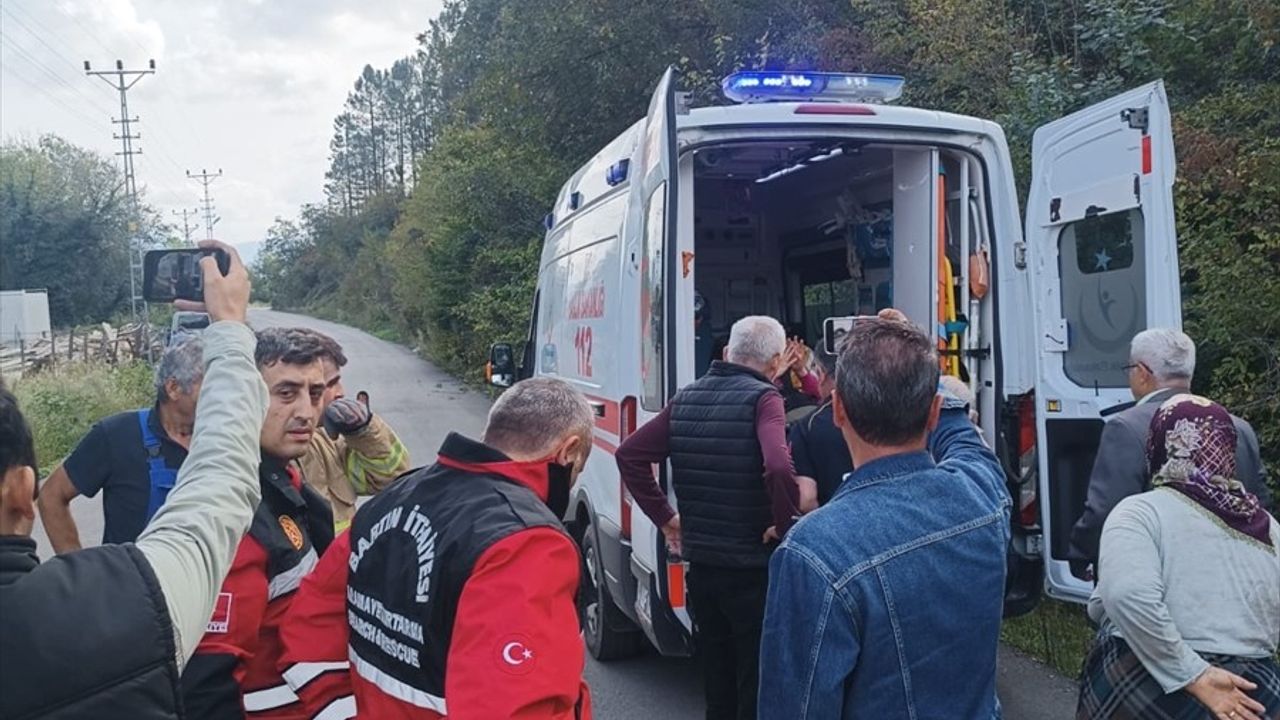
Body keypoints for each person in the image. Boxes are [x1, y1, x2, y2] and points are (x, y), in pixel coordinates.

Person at [1, 241, 270, 718]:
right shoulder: (117, 435)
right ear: (22, 490)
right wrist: (79, 577)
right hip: (147, 613)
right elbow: (223, 478)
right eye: (205, 382)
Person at [277, 377, 595, 718]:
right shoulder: (528, 543)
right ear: (568, 451)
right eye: (577, 468)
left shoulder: (391, 499)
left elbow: (308, 632)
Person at [758, 310, 1011, 719]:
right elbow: (964, 439)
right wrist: (915, 355)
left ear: (838, 410)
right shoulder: (983, 493)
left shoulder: (813, 551)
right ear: (933, 412)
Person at [616, 315, 801, 720]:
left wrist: (666, 518)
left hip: (702, 568)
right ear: (775, 362)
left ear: (728, 352)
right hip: (752, 570)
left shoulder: (686, 398)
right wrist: (786, 526)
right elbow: (778, 466)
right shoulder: (764, 399)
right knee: (754, 682)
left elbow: (629, 455)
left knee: (717, 682)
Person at [1077, 394, 1279, 720]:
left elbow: (1126, 595)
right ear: (1229, 448)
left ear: (1159, 446)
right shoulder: (1268, 528)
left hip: (1143, 675)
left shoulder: (1139, 513)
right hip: (1250, 687)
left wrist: (1195, 674)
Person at [180, 328, 336, 719]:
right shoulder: (236, 519)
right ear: (244, 398)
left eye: (315, 393)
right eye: (286, 393)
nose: (306, 411)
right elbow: (208, 686)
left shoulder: (287, 483)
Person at [1069, 328, 1272, 574]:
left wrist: (1081, 555)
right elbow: (1260, 504)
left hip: (1159, 573)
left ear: (1142, 373)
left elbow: (1106, 510)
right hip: (1233, 573)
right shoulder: (1239, 427)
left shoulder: (1125, 427)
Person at [37, 335, 205, 551]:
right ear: (173, 388)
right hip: (132, 573)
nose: (220, 397)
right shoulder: (117, 435)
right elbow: (51, 496)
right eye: (209, 387)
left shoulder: (220, 439)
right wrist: (79, 566)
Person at [292, 328, 409, 532]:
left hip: (342, 553)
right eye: (329, 385)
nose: (341, 393)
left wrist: (363, 432)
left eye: (338, 381)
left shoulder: (327, 438)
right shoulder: (261, 452)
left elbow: (388, 480)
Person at [787, 347, 850, 508]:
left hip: (832, 516)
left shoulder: (807, 427)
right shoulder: (884, 411)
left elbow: (806, 500)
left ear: (821, 375)